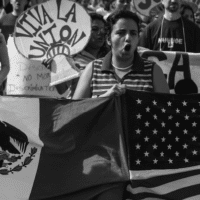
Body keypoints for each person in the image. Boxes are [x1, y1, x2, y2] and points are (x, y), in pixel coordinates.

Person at [73, 10, 169, 100]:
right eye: (121, 33)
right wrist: (105, 98)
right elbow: (76, 110)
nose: (128, 38)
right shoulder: (92, 69)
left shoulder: (153, 71)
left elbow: (166, 111)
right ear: (108, 39)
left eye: (133, 33)